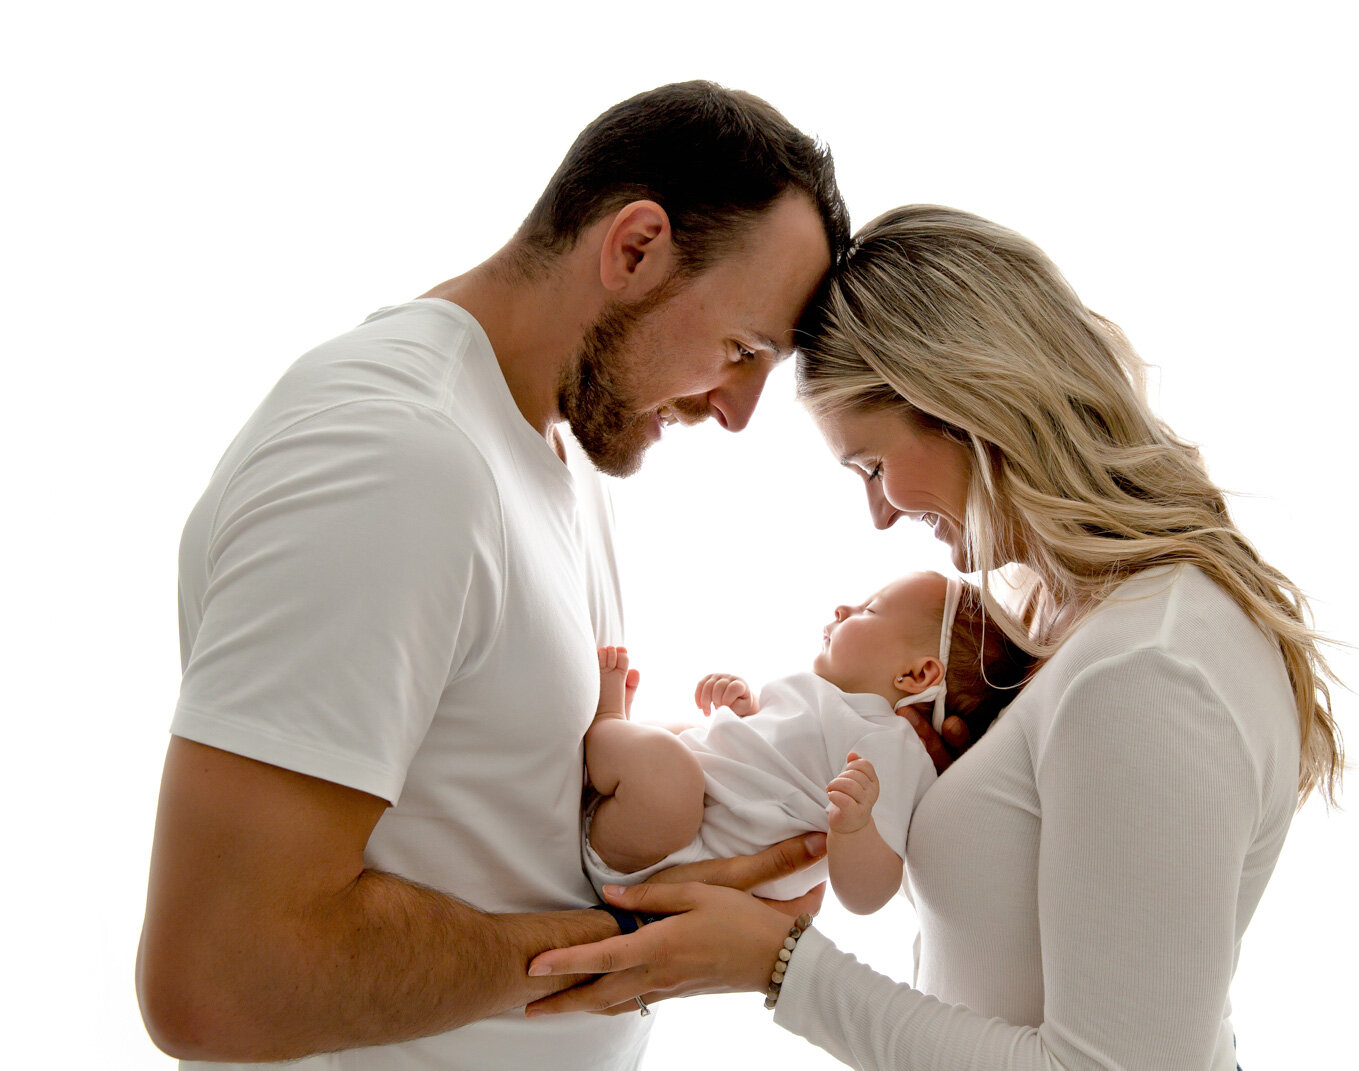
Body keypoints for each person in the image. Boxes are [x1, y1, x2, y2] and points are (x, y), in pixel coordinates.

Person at [525, 205, 1344, 1071]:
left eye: (873, 466)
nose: (879, 514)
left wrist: (774, 966)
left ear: (968, 403)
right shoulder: (1064, 622)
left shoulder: (1151, 664)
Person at [134, 81, 846, 1070]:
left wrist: (674, 857)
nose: (736, 413)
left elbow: (492, 825)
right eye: (740, 350)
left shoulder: (548, 451)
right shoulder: (394, 457)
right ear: (634, 248)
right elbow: (224, 978)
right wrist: (628, 953)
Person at [583, 571, 1031, 915]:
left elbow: (867, 896)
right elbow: (765, 758)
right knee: (680, 746)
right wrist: (744, 710)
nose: (843, 608)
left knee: (670, 770)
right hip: (674, 826)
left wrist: (855, 828)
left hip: (666, 859)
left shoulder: (895, 749)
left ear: (916, 675)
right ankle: (620, 750)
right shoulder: (826, 700)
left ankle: (605, 723)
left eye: (869, 610)